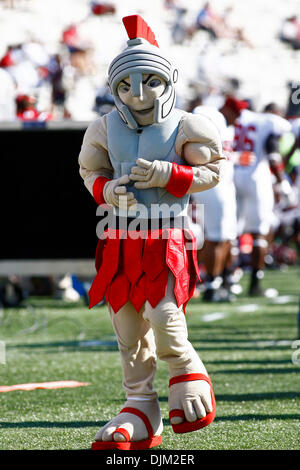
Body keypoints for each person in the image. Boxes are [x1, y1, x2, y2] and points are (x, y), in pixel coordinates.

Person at [78, 15, 225, 450]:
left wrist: (170, 173)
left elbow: (212, 169)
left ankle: (186, 368)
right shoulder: (103, 127)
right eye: (126, 85)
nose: (137, 95)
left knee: (162, 314)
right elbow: (89, 171)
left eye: (149, 82)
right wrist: (109, 190)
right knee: (126, 324)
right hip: (119, 240)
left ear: (168, 80)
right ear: (114, 87)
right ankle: (139, 403)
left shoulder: (187, 124)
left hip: (165, 238)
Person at [190, 96, 248, 301]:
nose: (237, 118)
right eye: (235, 112)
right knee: (215, 237)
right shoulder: (208, 115)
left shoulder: (223, 125)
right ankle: (212, 284)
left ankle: (222, 279)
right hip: (212, 184)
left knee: (225, 237)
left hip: (222, 183)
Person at [233, 106, 291, 295]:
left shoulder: (246, 118)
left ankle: (227, 279)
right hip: (257, 178)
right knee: (259, 232)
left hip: (234, 175)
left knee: (231, 231)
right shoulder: (271, 122)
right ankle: (255, 285)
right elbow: (273, 154)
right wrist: (283, 182)